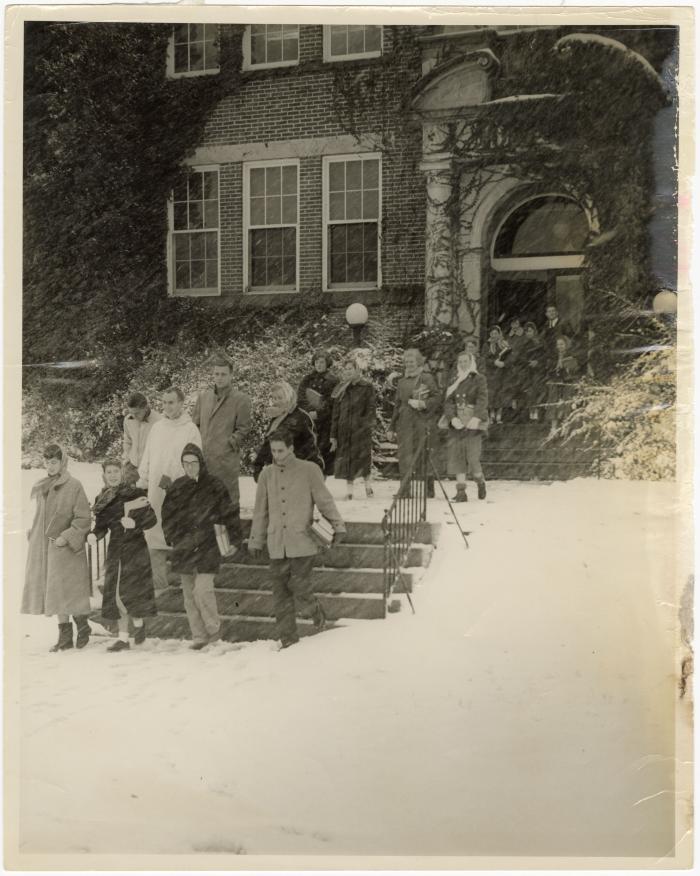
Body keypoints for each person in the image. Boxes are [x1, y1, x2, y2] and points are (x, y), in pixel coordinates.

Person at [248, 429, 346, 649]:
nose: (277, 455)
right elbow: (260, 511)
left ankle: (314, 609)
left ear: (291, 448)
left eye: (281, 450)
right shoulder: (266, 475)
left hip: (302, 542)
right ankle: (288, 640)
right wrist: (256, 540)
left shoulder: (309, 470)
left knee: (300, 587)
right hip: (276, 544)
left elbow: (325, 501)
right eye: (273, 451)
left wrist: (338, 526)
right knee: (280, 595)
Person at [161, 444, 240, 650]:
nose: (189, 467)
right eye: (185, 463)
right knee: (189, 595)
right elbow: (167, 516)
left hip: (208, 546)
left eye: (193, 463)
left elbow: (229, 514)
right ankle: (199, 636)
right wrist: (173, 537)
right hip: (184, 547)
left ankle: (213, 631)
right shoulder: (177, 487)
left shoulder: (215, 485)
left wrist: (235, 540)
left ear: (201, 463)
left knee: (202, 590)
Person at [22, 444, 92, 652]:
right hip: (47, 548)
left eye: (54, 462)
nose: (50, 466)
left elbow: (83, 518)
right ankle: (65, 636)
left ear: (63, 462)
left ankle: (83, 626)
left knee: (71, 592)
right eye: (47, 462)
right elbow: (40, 517)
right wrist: (33, 533)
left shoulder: (74, 485)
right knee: (56, 593)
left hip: (68, 548)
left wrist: (67, 536)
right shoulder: (42, 486)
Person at [89, 459, 158, 652]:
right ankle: (123, 638)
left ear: (122, 473)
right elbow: (101, 526)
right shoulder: (103, 498)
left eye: (116, 471)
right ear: (104, 475)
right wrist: (95, 535)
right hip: (116, 550)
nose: (112, 475)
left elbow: (151, 519)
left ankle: (139, 624)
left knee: (133, 593)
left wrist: (135, 524)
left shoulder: (135, 493)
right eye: (109, 472)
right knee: (117, 593)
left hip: (135, 549)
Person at [137, 387, 201, 594]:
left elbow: (196, 461)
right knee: (154, 533)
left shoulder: (190, 429)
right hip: (157, 489)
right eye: (164, 403)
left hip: (180, 492)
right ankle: (159, 584)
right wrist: (145, 477)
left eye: (171, 402)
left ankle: (186, 586)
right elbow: (147, 455)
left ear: (181, 403)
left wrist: (186, 485)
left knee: (181, 533)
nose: (167, 407)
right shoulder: (157, 428)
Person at [193, 354, 252, 509]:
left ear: (231, 375)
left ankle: (232, 531)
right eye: (216, 374)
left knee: (228, 502)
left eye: (223, 374)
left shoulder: (241, 399)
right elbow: (195, 425)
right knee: (205, 503)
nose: (219, 378)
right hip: (204, 459)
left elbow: (244, 428)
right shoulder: (203, 397)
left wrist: (229, 444)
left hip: (226, 460)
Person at [387, 348, 440, 498]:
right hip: (405, 423)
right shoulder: (402, 381)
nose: (409, 364)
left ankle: (429, 487)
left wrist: (424, 404)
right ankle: (405, 489)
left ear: (418, 362)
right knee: (405, 455)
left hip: (422, 421)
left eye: (412, 361)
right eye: (407, 362)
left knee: (424, 453)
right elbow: (397, 405)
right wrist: (391, 427)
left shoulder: (427, 378)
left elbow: (437, 398)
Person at [442, 351, 489, 502]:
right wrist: (452, 418)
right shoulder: (454, 380)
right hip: (457, 422)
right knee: (457, 457)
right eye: (460, 361)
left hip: (473, 421)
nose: (463, 364)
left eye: (465, 361)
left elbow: (483, 399)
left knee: (473, 458)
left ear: (471, 362)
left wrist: (476, 417)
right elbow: (448, 402)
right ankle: (461, 492)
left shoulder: (478, 378)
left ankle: (480, 481)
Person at [252, 381, 323, 481]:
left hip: (301, 470)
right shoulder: (276, 419)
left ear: (288, 396)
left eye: (280, 398)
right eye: (274, 398)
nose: (276, 401)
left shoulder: (301, 416)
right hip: (279, 470)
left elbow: (311, 444)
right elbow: (268, 443)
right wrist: (258, 466)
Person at [330, 353, 376, 500]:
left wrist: (363, 425)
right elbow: (335, 414)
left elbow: (371, 409)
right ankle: (349, 491)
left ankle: (368, 487)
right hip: (344, 431)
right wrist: (333, 434)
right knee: (347, 461)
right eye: (346, 369)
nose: (348, 371)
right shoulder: (341, 389)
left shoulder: (367, 387)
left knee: (363, 459)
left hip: (361, 431)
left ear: (357, 370)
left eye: (351, 368)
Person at [298, 351, 339, 476]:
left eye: (322, 362)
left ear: (327, 364)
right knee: (308, 452)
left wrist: (319, 414)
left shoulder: (334, 381)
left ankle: (320, 484)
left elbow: (333, 403)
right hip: (309, 422)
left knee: (323, 455)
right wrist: (310, 411)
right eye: (316, 362)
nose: (319, 365)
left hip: (326, 424)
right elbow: (301, 397)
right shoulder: (307, 379)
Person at [122, 393, 161, 485]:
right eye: (131, 412)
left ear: (145, 408)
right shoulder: (128, 420)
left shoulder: (159, 421)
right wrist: (128, 460)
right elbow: (127, 441)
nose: (134, 416)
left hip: (151, 469)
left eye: (137, 413)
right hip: (133, 467)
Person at [545, 335, 580, 438]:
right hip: (556, 382)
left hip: (567, 383)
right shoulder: (553, 357)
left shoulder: (571, 356)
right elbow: (549, 370)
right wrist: (554, 368)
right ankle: (553, 429)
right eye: (558, 344)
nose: (560, 346)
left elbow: (574, 370)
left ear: (566, 345)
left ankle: (565, 426)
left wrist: (565, 367)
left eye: (562, 344)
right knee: (553, 403)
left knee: (566, 403)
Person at [484, 326, 511, 424]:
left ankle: (499, 415)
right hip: (491, 373)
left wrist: (504, 363)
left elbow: (510, 357)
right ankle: (491, 415)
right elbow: (485, 359)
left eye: (496, 333)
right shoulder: (487, 345)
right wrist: (493, 363)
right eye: (492, 334)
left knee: (501, 393)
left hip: (502, 372)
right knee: (491, 394)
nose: (494, 336)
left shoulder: (504, 344)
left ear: (499, 334)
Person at [522, 321, 546, 420]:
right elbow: (522, 357)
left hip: (539, 371)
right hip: (529, 371)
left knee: (538, 391)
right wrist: (528, 362)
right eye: (526, 332)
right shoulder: (525, 344)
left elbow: (546, 356)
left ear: (535, 331)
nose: (528, 333)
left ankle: (538, 413)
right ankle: (531, 413)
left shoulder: (541, 342)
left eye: (530, 331)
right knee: (529, 392)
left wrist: (538, 362)